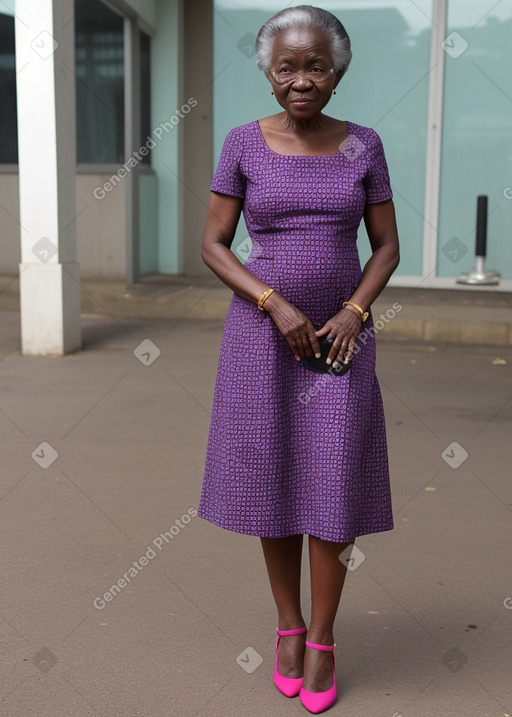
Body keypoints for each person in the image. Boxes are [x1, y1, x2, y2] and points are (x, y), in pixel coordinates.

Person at [198, 5, 400, 713]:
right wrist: (272, 302)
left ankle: (324, 635)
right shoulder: (242, 144)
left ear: (337, 72)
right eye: (288, 67)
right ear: (269, 72)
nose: (302, 79)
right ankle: (287, 623)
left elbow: (386, 247)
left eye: (316, 65)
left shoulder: (363, 146)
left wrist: (353, 310)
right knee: (272, 476)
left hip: (341, 345)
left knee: (333, 480)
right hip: (262, 340)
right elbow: (215, 244)